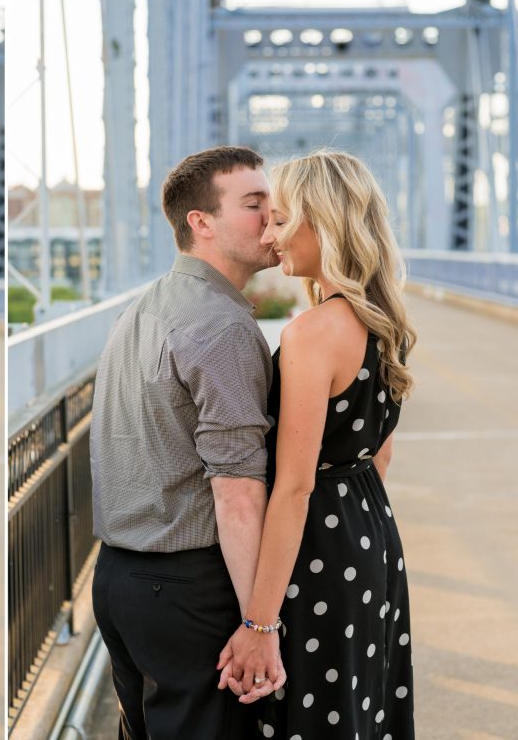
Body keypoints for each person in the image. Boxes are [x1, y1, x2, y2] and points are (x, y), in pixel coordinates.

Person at [217, 150, 416, 739]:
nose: (270, 236)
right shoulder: (383, 322)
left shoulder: (313, 332)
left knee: (311, 709)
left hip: (320, 550)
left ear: (322, 221)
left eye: (281, 220)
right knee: (360, 704)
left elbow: (296, 485)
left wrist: (258, 623)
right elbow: (378, 454)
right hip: (372, 534)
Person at [90, 146, 285, 739]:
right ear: (200, 223)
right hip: (185, 589)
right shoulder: (221, 324)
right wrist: (259, 625)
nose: (272, 219)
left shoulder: (145, 306)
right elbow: (237, 495)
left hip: (119, 580)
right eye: (253, 205)